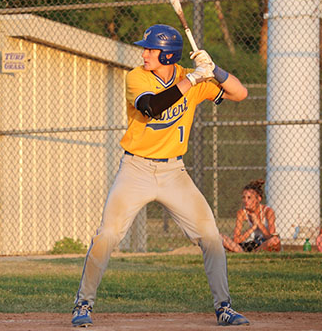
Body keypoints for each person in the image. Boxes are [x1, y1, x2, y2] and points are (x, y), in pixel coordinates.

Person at [71, 24, 250, 327]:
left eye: (150, 49)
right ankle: (83, 304)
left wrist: (214, 70)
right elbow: (152, 107)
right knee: (108, 234)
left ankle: (224, 307)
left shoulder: (189, 78)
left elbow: (240, 93)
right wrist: (193, 78)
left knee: (210, 236)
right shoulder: (137, 77)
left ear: (167, 55)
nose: (144, 54)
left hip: (173, 172)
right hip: (135, 169)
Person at [221, 179, 281, 253]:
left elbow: (271, 237)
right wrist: (253, 228)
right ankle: (244, 253)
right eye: (244, 197)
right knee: (221, 237)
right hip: (250, 244)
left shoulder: (268, 211)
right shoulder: (242, 213)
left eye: (249, 198)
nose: (245, 201)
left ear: (258, 199)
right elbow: (236, 240)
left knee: (275, 241)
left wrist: (258, 223)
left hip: (263, 244)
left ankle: (255, 253)